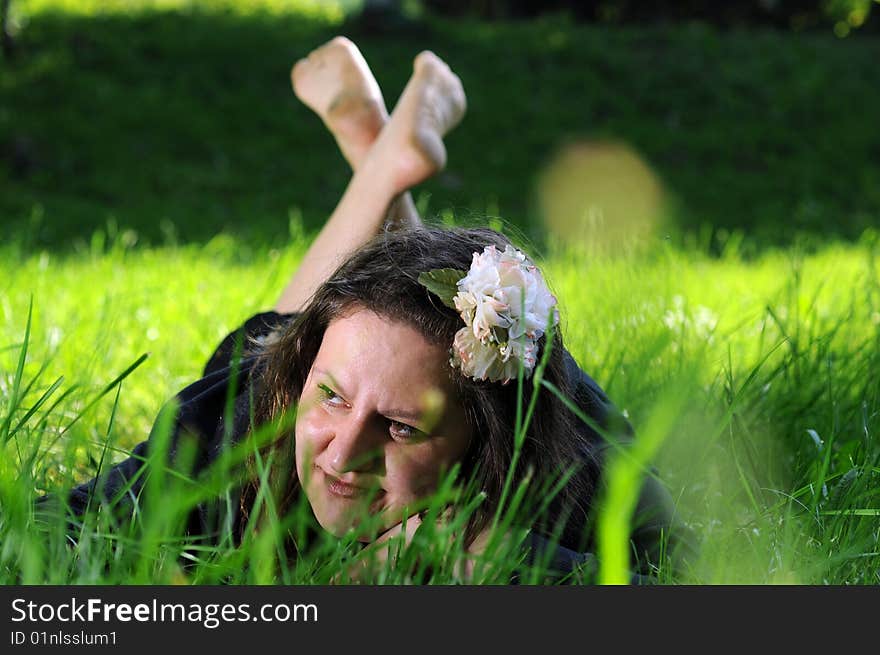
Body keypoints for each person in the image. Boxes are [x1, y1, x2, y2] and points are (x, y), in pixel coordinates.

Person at [50, 37, 686, 583]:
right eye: (329, 396)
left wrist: (491, 559)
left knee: (391, 324)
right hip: (276, 371)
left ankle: (381, 160)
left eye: (402, 428)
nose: (342, 452)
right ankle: (383, 163)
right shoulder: (243, 437)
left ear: (482, 445)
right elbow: (53, 530)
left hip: (509, 398)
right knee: (352, 316)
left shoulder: (572, 477)